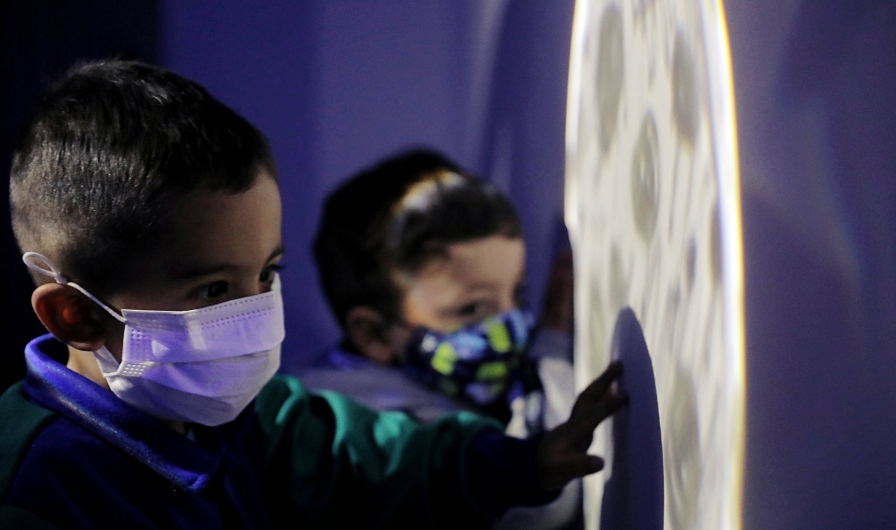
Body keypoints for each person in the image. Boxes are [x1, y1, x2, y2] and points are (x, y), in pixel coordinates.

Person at [0, 60, 626, 529]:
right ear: (74, 314)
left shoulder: (256, 414)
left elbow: (375, 461)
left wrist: (521, 464)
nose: (254, 314)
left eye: (267, 275)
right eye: (214, 288)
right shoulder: (39, 491)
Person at [302, 150, 583, 528]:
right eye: (471, 309)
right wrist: (553, 344)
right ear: (375, 334)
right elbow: (538, 509)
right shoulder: (361, 424)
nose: (510, 323)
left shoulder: (443, 377)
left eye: (519, 294)